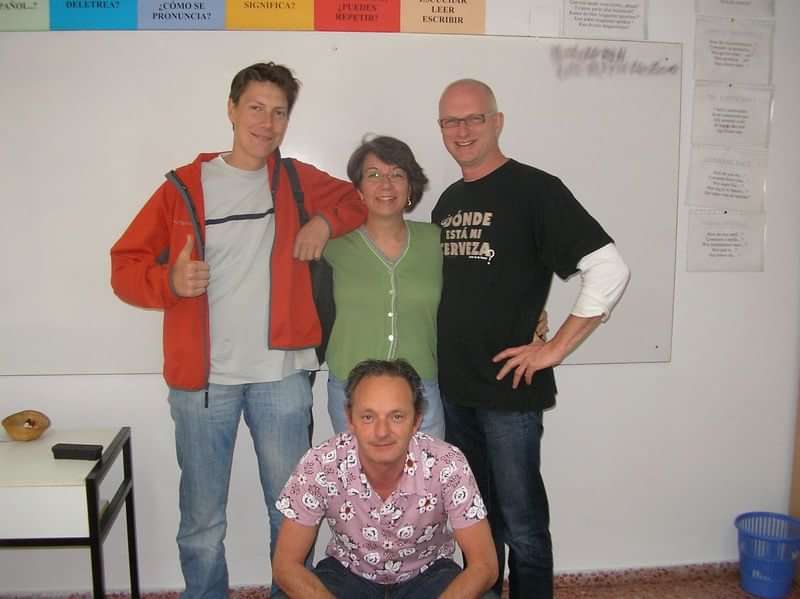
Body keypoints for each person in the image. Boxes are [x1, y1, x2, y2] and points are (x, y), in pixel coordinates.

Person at [110, 62, 366, 598]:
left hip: (282, 378)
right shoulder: (183, 187)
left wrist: (323, 222)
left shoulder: (296, 180)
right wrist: (170, 282)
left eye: (279, 112)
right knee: (202, 524)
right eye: (256, 107)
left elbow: (357, 199)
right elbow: (125, 266)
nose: (266, 122)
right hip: (203, 384)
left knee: (292, 518)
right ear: (231, 109)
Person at [432, 79, 631, 599]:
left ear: (498, 122)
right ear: (441, 130)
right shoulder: (448, 203)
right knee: (476, 526)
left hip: (509, 392)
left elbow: (608, 268)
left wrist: (555, 347)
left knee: (522, 525)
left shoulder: (536, 189)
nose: (463, 130)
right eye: (451, 121)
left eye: (474, 118)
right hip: (455, 392)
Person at [271, 358, 499, 599]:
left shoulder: (447, 463)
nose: (382, 432)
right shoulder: (319, 464)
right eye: (368, 417)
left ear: (416, 420)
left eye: (397, 417)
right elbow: (285, 566)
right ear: (350, 419)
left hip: (428, 574)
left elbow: (485, 565)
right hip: (349, 574)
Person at [323, 135, 445, 439]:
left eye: (397, 175)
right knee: (359, 486)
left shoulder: (436, 241)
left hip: (421, 394)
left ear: (410, 188)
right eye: (373, 175)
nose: (386, 185)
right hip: (352, 392)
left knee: (426, 484)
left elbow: (483, 284)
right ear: (359, 189)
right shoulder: (333, 243)